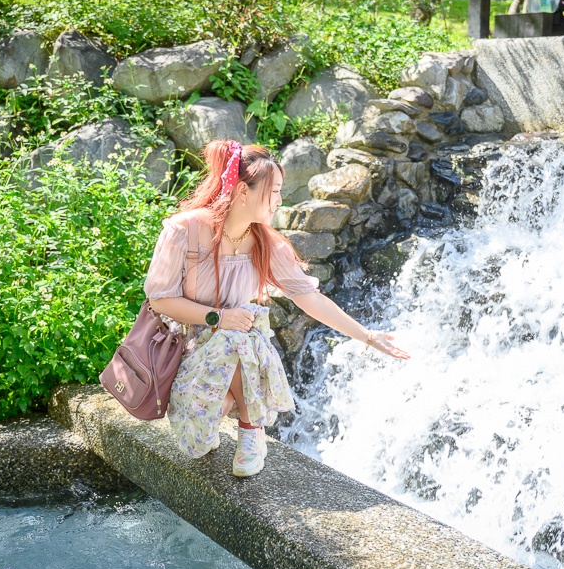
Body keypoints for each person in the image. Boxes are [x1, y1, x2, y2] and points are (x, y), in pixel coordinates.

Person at [143, 139, 410, 477]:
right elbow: (160, 300)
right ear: (243, 191)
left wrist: (368, 337)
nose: (280, 201)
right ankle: (222, 411)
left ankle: (251, 430)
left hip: (239, 349)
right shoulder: (186, 231)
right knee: (198, 441)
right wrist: (219, 317)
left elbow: (310, 299)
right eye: (275, 191)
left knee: (241, 331)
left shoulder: (266, 245)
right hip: (184, 355)